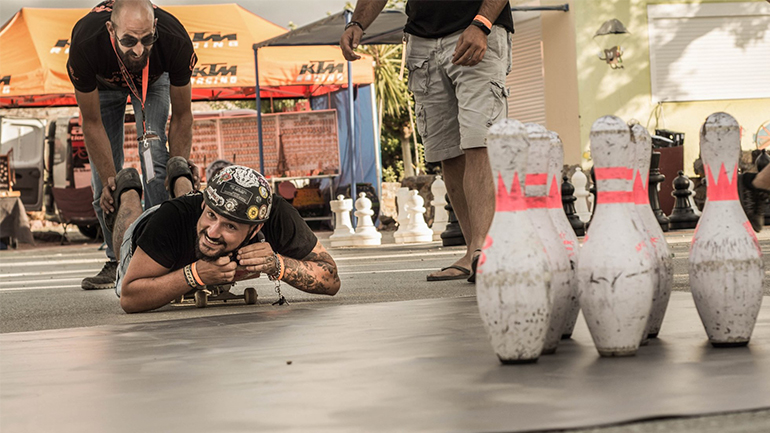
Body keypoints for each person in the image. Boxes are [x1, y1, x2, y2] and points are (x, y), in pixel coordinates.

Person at [340, 1, 513, 282]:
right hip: (422, 40)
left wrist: (482, 23)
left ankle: (485, 249)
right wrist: (357, 23)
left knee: (479, 141)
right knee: (447, 151)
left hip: (476, 29)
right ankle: (472, 253)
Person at [67, 0, 198, 290]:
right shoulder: (85, 44)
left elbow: (182, 115)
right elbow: (92, 123)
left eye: (147, 39)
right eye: (128, 41)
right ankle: (117, 259)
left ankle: (163, 254)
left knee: (156, 161)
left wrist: (179, 169)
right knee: (106, 186)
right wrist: (108, 178)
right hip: (103, 87)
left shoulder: (174, 39)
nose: (138, 50)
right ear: (110, 29)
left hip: (153, 82)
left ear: (155, 26)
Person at [115, 165, 341, 313]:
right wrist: (196, 274)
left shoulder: (278, 215)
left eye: (230, 226)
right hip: (147, 227)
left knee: (190, 211)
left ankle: (180, 176)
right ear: (204, 204)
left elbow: (331, 279)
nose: (213, 233)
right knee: (129, 221)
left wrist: (278, 264)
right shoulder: (170, 220)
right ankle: (127, 188)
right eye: (211, 215)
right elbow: (130, 297)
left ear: (256, 228)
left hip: (183, 218)